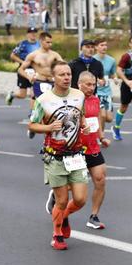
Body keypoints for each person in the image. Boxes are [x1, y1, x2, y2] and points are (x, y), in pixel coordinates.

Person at [28, 61, 88, 251]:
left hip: (76, 155)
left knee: (80, 199)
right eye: (62, 75)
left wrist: (84, 124)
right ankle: (57, 234)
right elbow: (32, 125)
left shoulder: (79, 95)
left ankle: (63, 215)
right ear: (53, 77)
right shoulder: (43, 100)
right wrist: (47, 127)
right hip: (55, 156)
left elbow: (81, 115)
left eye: (68, 74)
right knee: (61, 200)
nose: (66, 78)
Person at [78, 71, 110, 229]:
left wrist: (102, 137)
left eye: (94, 84)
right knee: (75, 189)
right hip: (75, 149)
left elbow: (96, 118)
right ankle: (57, 199)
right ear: (79, 84)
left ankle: (94, 216)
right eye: (88, 84)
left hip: (92, 147)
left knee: (100, 179)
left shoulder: (95, 100)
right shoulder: (72, 100)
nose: (92, 88)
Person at [19, 32, 63, 139]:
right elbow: (20, 69)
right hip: (39, 83)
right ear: (41, 41)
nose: (50, 44)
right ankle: (34, 125)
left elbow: (63, 65)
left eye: (51, 42)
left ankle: (48, 132)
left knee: (53, 109)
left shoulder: (54, 55)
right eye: (48, 42)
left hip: (52, 83)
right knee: (42, 107)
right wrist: (29, 77)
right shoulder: (33, 55)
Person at [6, 27, 40, 114]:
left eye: (34, 32)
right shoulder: (22, 44)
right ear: (27, 34)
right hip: (23, 70)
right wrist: (23, 62)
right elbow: (12, 55)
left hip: (35, 70)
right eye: (31, 32)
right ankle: (12, 95)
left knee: (34, 93)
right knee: (22, 95)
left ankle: (32, 113)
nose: (33, 34)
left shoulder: (39, 45)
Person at [93, 38, 117, 138]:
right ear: (96, 47)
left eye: (105, 45)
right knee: (102, 115)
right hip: (97, 92)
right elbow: (87, 74)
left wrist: (115, 78)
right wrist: (96, 80)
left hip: (107, 92)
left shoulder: (111, 60)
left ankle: (99, 129)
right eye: (101, 45)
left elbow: (112, 74)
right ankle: (100, 136)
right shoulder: (93, 60)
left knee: (109, 118)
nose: (104, 47)